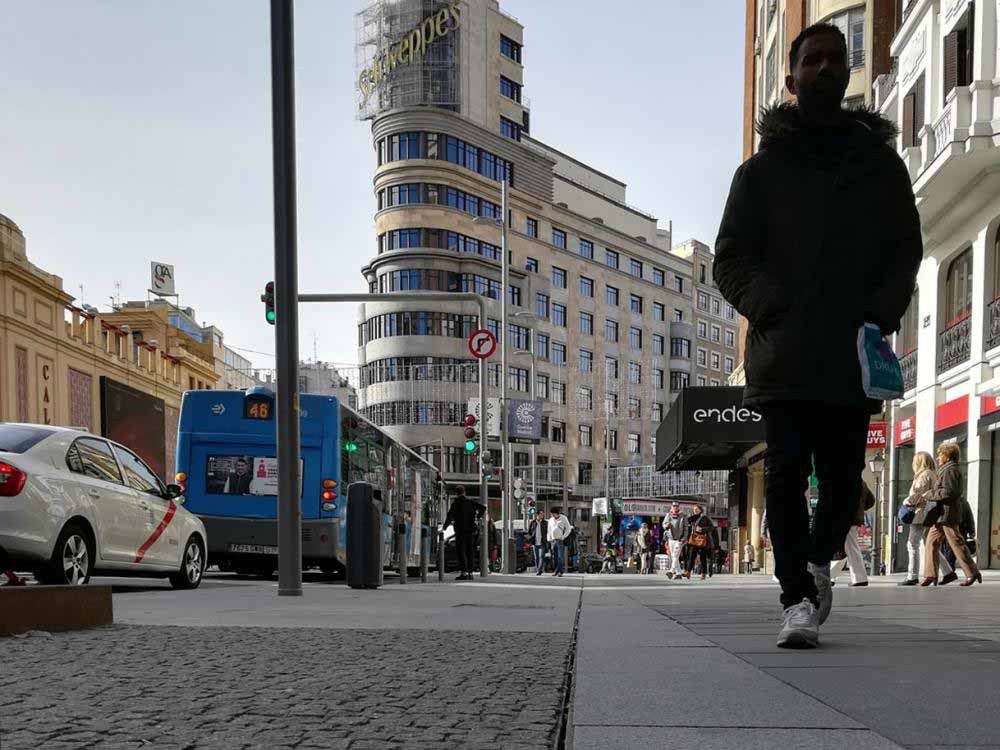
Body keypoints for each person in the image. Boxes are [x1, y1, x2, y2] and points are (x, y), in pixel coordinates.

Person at [714, 21, 922, 649]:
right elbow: (730, 259)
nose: (827, 68)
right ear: (792, 77)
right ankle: (796, 597)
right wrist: (769, 304)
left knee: (842, 476)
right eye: (814, 60)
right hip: (782, 353)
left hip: (851, 352)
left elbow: (903, 253)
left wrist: (878, 315)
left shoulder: (880, 167)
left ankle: (816, 563)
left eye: (837, 58)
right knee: (783, 472)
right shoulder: (761, 173)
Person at [921, 443, 982, 587]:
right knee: (930, 541)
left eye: (940, 454)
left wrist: (930, 494)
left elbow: (950, 492)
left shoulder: (950, 470)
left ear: (946, 456)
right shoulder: (947, 469)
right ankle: (931, 575)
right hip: (941, 514)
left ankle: (972, 572)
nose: (937, 457)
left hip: (947, 514)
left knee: (956, 542)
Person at [899, 452, 954, 586]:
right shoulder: (933, 474)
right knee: (929, 544)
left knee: (912, 544)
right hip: (928, 514)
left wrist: (907, 501)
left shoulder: (924, 475)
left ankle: (912, 576)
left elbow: (918, 494)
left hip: (920, 514)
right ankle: (948, 572)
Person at [442, 485, 480, 581]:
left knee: (461, 551)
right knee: (469, 551)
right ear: (464, 492)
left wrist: (445, 527)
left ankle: (464, 572)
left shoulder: (456, 503)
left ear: (456, 493)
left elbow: (450, 516)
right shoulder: (470, 502)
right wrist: (477, 517)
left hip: (460, 531)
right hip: (470, 530)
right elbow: (483, 508)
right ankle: (470, 573)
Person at [685, 505, 714, 581]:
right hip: (693, 540)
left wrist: (702, 529)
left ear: (700, 510)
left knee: (702, 557)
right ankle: (688, 572)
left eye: (696, 509)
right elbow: (685, 524)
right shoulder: (692, 518)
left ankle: (703, 573)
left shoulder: (705, 518)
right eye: (694, 509)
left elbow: (712, 527)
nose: (695, 510)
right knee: (691, 556)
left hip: (702, 540)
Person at [663, 503, 688, 580]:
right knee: (674, 556)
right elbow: (664, 524)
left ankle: (671, 571)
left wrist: (684, 538)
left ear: (679, 507)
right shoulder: (668, 515)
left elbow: (686, 528)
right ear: (671, 507)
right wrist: (666, 525)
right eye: (673, 506)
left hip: (679, 539)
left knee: (675, 555)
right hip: (671, 538)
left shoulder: (683, 516)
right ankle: (679, 573)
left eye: (676, 506)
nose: (675, 507)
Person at [547, 507, 572, 577]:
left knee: (560, 556)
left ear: (556, 513)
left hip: (560, 540)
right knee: (554, 557)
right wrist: (549, 539)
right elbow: (549, 530)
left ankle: (559, 571)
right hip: (553, 540)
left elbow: (568, 529)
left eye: (552, 514)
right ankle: (557, 570)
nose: (551, 515)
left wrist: (563, 537)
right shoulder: (551, 520)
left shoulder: (563, 518)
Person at [528, 511, 548, 575]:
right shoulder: (533, 522)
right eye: (541, 514)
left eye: (543, 514)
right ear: (538, 515)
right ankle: (538, 569)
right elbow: (529, 532)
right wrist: (530, 539)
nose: (542, 515)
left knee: (541, 556)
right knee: (536, 557)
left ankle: (539, 570)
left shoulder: (545, 523)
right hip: (535, 542)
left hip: (542, 542)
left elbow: (548, 532)